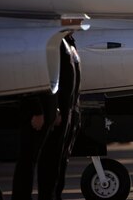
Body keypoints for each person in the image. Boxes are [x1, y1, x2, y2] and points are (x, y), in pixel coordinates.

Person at [37, 35, 82, 200]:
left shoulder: (69, 42)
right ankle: (47, 195)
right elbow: (52, 77)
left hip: (70, 109)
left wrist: (75, 110)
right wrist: (54, 109)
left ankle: (56, 194)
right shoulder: (57, 42)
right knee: (51, 158)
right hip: (60, 110)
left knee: (62, 158)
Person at [11, 91, 58, 200]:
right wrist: (37, 110)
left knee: (37, 160)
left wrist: (56, 109)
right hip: (37, 112)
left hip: (47, 109)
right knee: (27, 160)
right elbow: (32, 79)